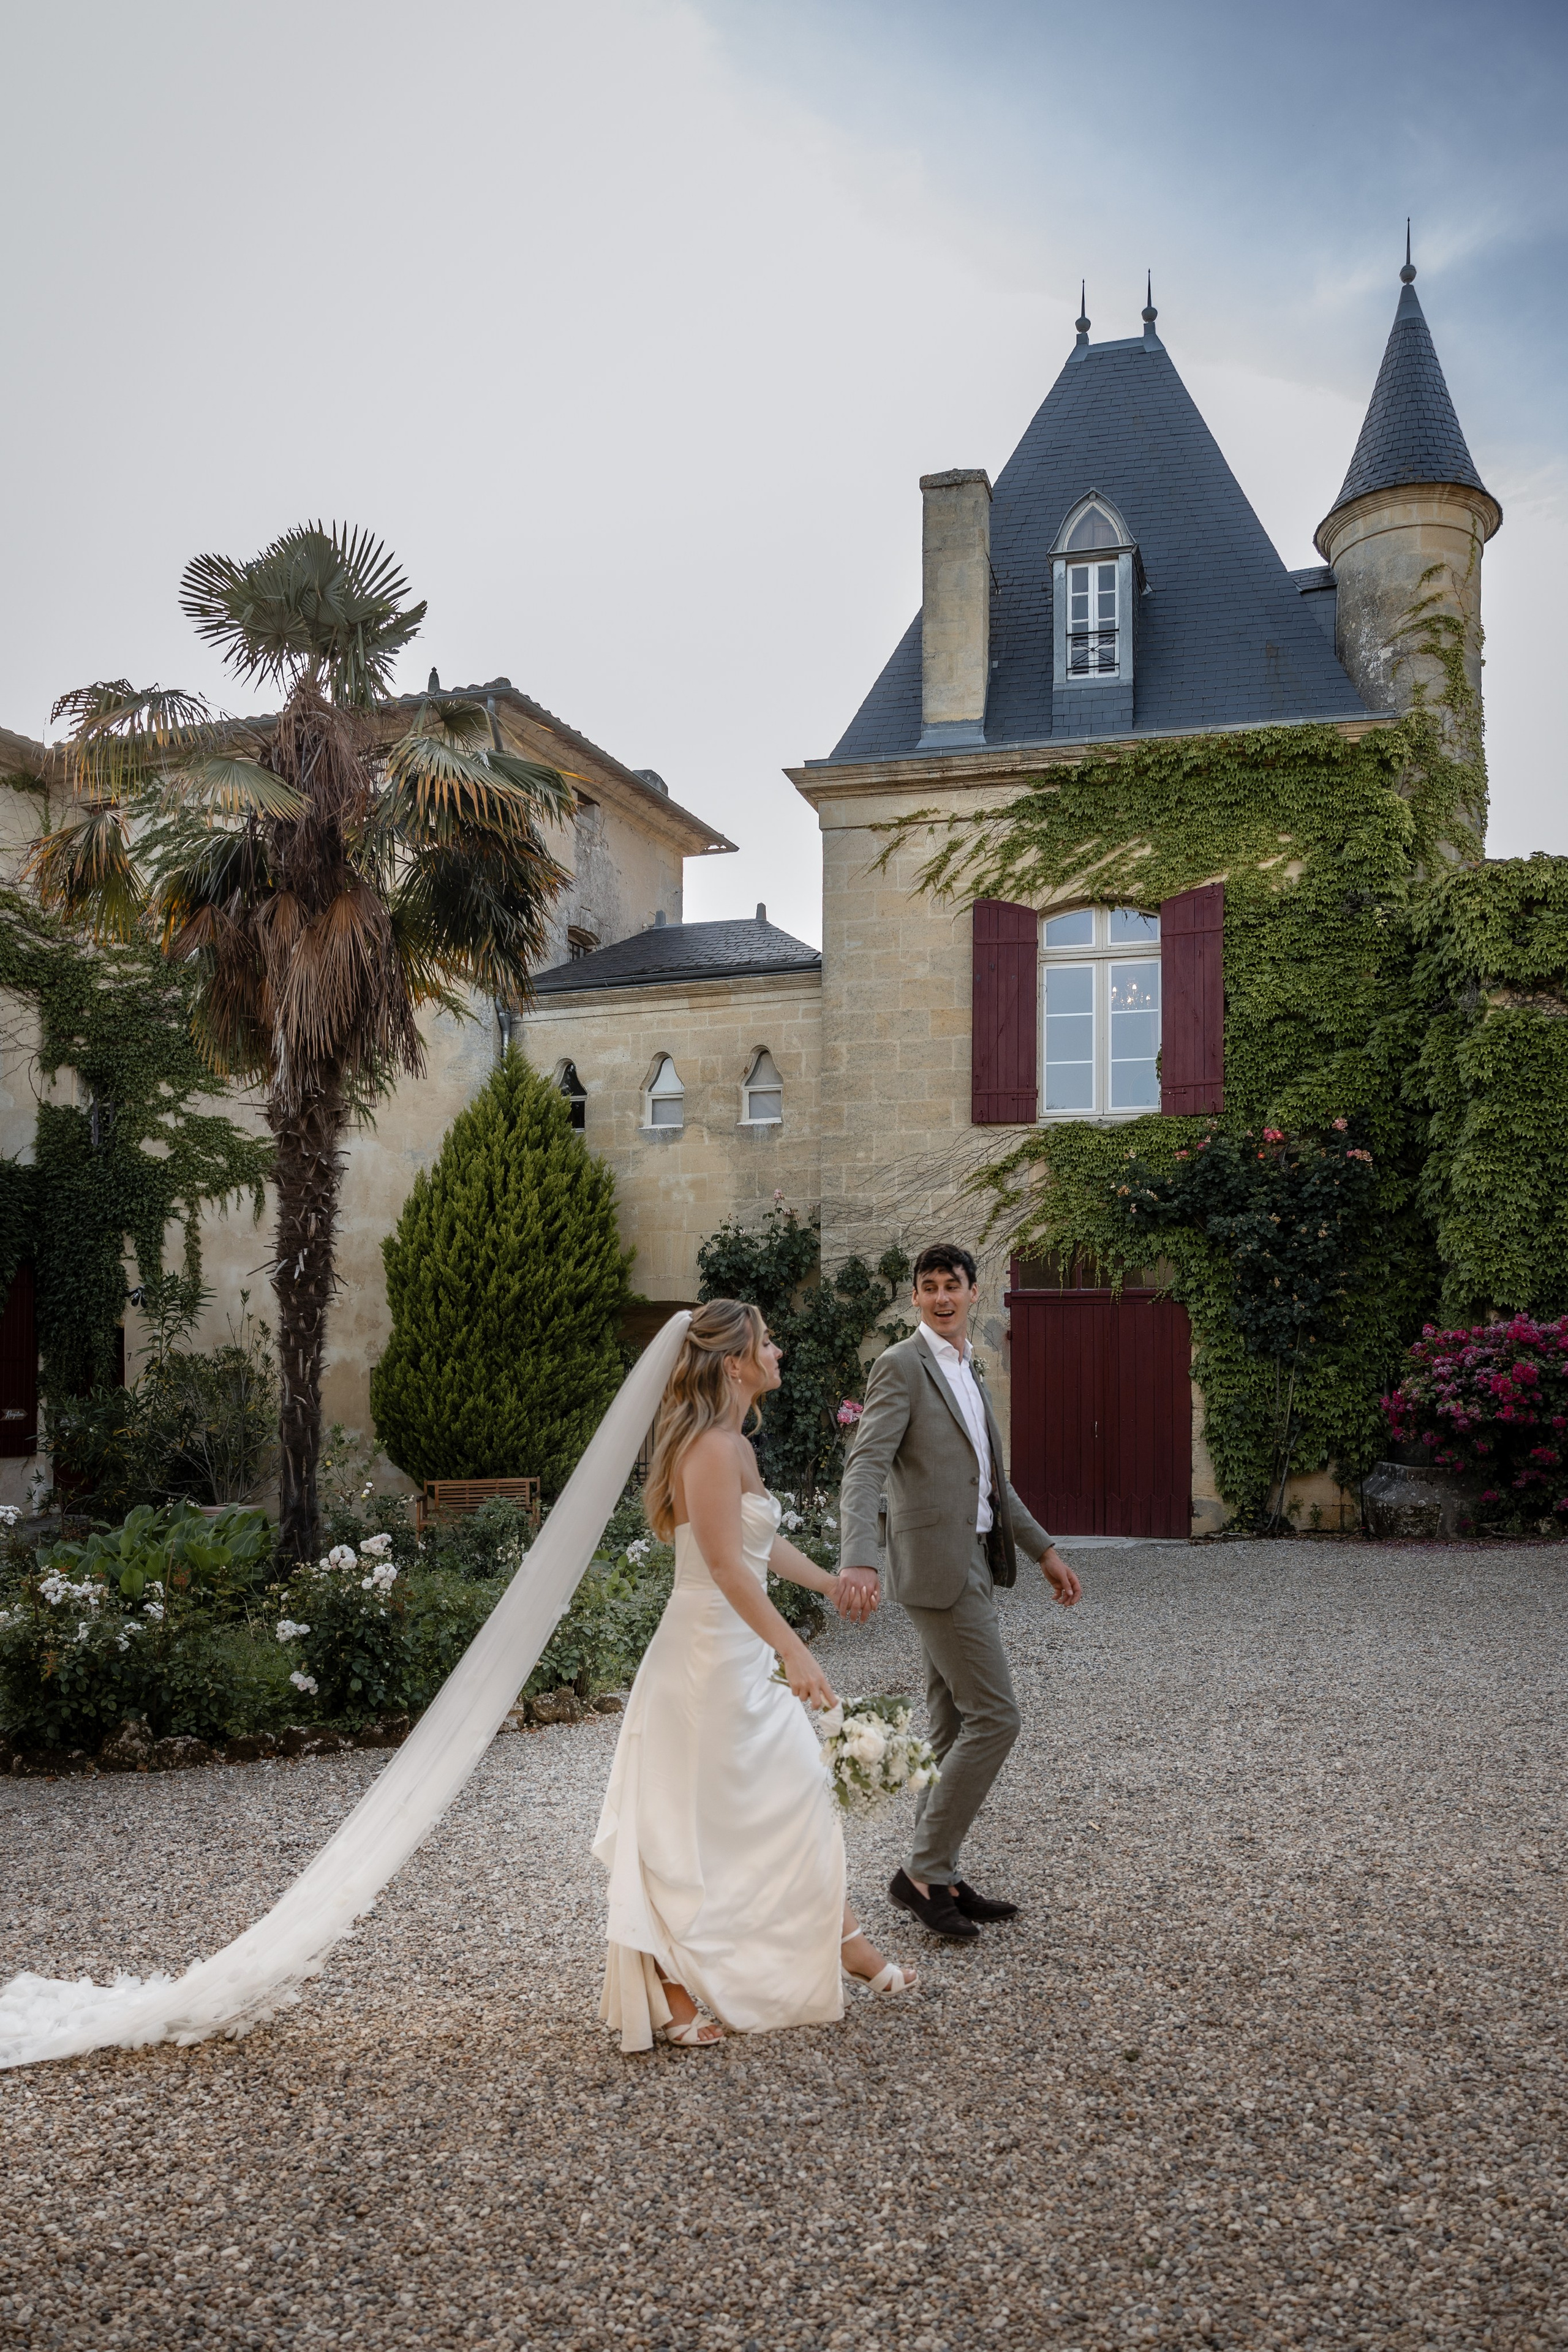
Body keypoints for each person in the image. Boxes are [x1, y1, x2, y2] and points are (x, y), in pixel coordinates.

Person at [593, 1298, 916, 2051]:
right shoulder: (706, 1447)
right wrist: (792, 1651)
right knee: (686, 1824)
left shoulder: (736, 1443)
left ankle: (844, 1939)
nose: (778, 1353)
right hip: (706, 1658)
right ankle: (673, 1988)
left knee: (797, 1792)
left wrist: (831, 1584)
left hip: (738, 1647)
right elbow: (723, 1569)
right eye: (767, 1344)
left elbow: (763, 1551)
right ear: (734, 1361)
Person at [836, 1242, 1083, 1940]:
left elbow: (992, 1484)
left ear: (975, 1292)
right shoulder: (900, 1365)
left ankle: (936, 1875)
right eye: (928, 1286)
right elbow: (864, 1470)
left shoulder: (968, 1368)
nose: (941, 1296)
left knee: (948, 1730)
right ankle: (920, 1872)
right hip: (936, 1568)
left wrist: (1046, 1552)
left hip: (976, 1556)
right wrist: (859, 1559)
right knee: (996, 1717)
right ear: (913, 1298)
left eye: (953, 1285)